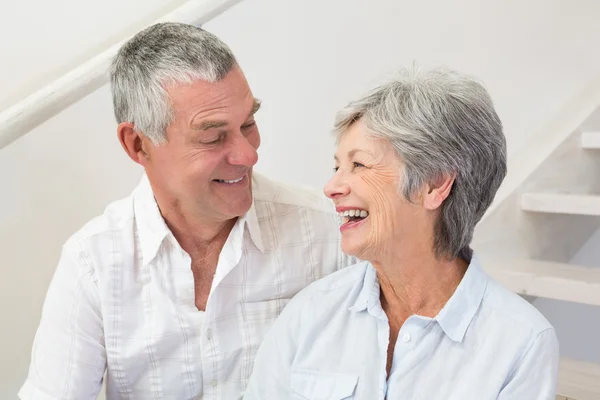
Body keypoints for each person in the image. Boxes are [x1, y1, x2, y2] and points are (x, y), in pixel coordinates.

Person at [19, 22, 353, 400]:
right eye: (212, 137)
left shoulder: (329, 231)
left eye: (248, 123)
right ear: (138, 145)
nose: (248, 154)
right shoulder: (93, 263)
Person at [244, 67, 559, 399]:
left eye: (359, 165)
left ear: (434, 184)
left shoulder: (522, 342)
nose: (332, 187)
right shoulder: (311, 311)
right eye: (337, 167)